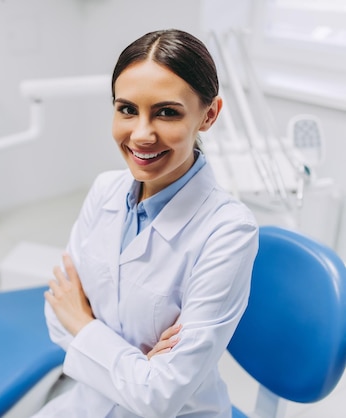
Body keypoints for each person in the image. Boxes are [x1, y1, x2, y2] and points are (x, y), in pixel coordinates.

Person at [33, 29, 259, 417]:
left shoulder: (229, 231)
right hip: (88, 402)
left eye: (167, 112)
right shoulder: (105, 190)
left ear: (209, 115)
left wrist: (84, 325)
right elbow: (57, 315)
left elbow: (160, 398)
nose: (141, 134)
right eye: (127, 109)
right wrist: (137, 367)